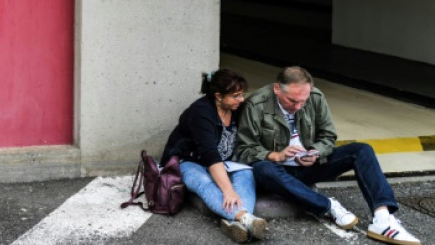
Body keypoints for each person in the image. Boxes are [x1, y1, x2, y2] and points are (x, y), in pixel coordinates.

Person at [235, 66, 421, 245]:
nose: (298, 106)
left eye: (303, 101)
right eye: (292, 101)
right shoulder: (255, 104)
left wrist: (316, 152)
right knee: (262, 169)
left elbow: (328, 136)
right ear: (277, 88)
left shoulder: (315, 97)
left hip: (310, 166)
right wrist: (275, 155)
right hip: (278, 172)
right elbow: (243, 149)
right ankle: (328, 206)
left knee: (362, 150)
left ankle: (383, 218)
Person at [162, 69, 267, 243]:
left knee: (246, 174)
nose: (241, 100)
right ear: (218, 96)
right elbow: (209, 154)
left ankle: (239, 223)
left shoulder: (235, 109)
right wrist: (228, 190)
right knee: (204, 181)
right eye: (236, 96)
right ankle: (247, 219)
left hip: (224, 162)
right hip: (189, 161)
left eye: (242, 95)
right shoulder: (201, 112)